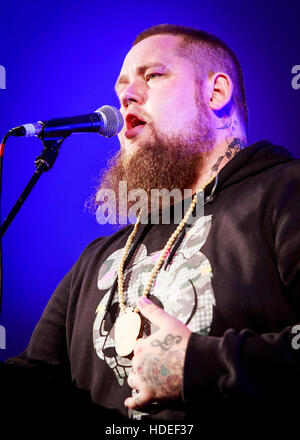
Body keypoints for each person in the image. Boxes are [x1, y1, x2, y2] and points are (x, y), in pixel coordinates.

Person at [1, 24, 300, 431]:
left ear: (215, 93)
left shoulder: (286, 192)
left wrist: (200, 365)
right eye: (121, 86)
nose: (127, 95)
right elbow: (36, 382)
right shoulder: (98, 258)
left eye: (153, 75)